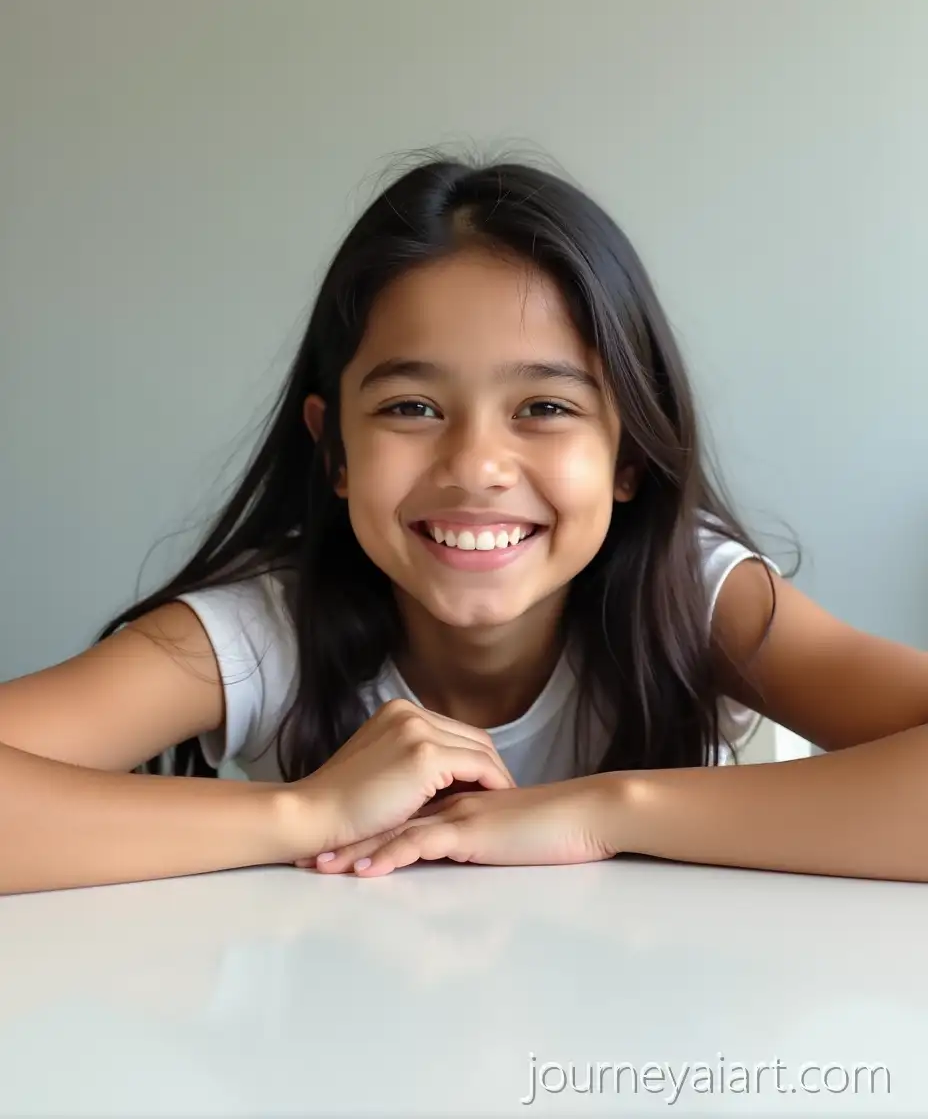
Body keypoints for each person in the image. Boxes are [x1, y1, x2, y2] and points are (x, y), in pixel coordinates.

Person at [3, 155, 928, 897]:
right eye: (411, 407)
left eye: (546, 408)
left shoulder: (693, 597)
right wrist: (306, 813)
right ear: (334, 451)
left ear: (629, 454)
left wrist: (606, 810)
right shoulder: (261, 632)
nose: (477, 467)